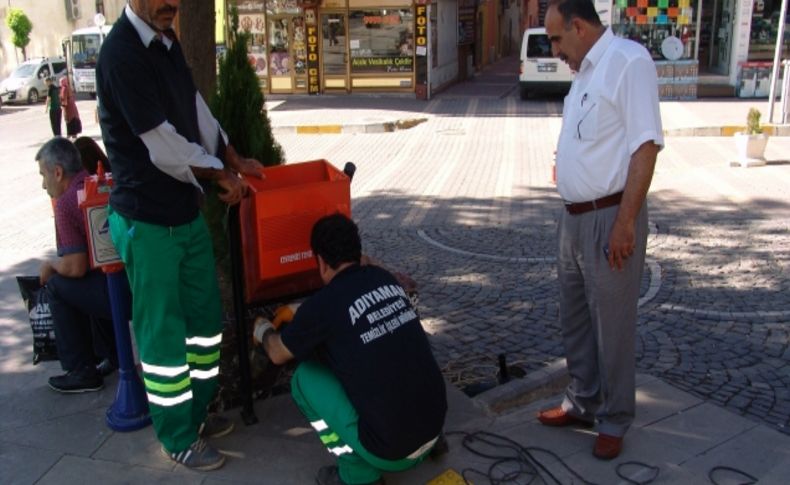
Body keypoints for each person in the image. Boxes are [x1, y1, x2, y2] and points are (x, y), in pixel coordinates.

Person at [96, 0, 263, 471]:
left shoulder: (166, 41)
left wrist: (232, 156)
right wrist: (218, 174)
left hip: (184, 216)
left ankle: (194, 416)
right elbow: (163, 145)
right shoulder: (122, 55)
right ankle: (176, 437)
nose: (171, 2)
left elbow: (195, 108)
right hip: (147, 223)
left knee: (206, 326)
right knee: (164, 339)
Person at [538, 0, 663, 460]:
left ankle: (614, 418)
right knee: (575, 318)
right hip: (572, 217)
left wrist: (625, 222)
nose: (554, 49)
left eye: (556, 38)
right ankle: (583, 400)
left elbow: (645, 146)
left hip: (610, 217)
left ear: (578, 26)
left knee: (612, 325)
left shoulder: (627, 62)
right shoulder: (584, 73)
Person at [258, 214, 447, 485]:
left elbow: (277, 353)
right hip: (433, 427)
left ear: (321, 262)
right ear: (359, 253)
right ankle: (430, 443)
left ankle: (357, 474)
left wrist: (262, 330)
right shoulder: (386, 280)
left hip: (392, 454)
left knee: (304, 379)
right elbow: (353, 299)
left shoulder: (323, 306)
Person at [36, 137, 117, 393]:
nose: (43, 184)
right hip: (138, 280)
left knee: (58, 285)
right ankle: (110, 355)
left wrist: (50, 266)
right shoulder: (98, 183)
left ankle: (81, 370)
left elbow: (75, 266)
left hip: (120, 292)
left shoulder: (66, 203)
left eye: (43, 175)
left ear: (58, 172)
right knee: (94, 275)